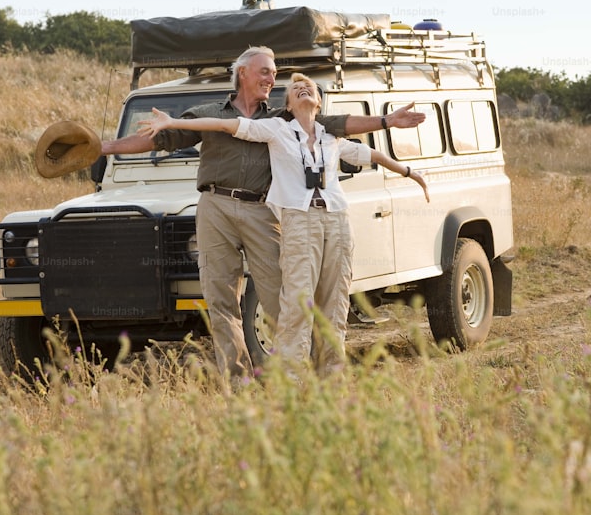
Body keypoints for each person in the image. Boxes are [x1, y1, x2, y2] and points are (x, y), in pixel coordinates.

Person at [99, 46, 426, 383]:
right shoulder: (210, 112)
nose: (272, 78)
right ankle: (239, 382)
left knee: (283, 299)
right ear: (243, 73)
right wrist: (105, 148)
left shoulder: (282, 119)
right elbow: (159, 139)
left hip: (261, 209)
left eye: (274, 73)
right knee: (221, 301)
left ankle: (308, 375)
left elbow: (337, 124)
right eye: (265, 71)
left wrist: (387, 120)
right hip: (215, 207)